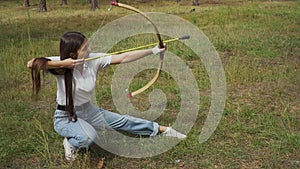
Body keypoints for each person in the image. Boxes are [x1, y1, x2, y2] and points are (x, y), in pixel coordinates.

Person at [27, 32, 186, 161]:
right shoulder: (61, 62)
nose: (90, 49)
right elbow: (31, 63)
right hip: (65, 116)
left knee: (123, 121)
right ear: (72, 53)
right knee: (89, 137)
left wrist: (152, 50)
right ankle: (70, 142)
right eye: (85, 48)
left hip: (89, 111)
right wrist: (64, 64)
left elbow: (123, 57)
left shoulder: (93, 60)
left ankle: (162, 129)